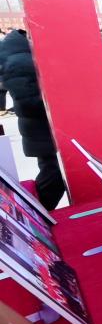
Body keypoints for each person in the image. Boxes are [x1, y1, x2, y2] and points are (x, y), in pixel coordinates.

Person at [0, 29, 67, 209]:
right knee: (54, 175)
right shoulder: (18, 61)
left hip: (41, 129)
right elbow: (28, 102)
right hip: (41, 130)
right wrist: (59, 100)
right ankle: (36, 212)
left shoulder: (18, 54)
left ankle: (36, 210)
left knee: (53, 172)